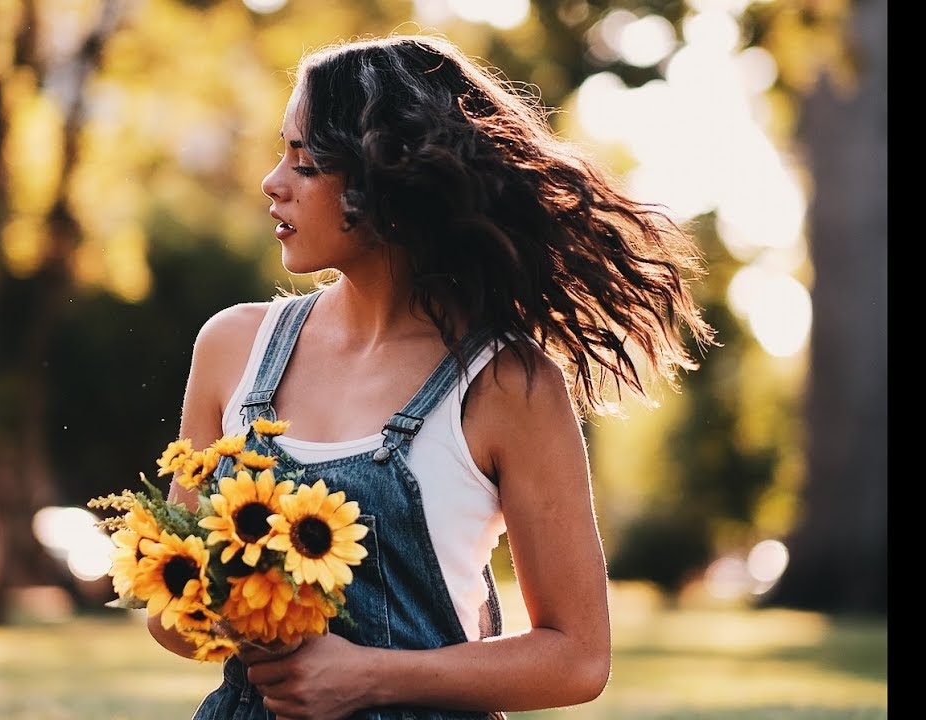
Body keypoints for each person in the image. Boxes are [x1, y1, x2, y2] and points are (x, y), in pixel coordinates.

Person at [146, 33, 717, 720]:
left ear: (383, 177)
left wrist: (368, 677)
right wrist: (235, 609)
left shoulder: (508, 384)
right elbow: (169, 613)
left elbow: (578, 658)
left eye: (304, 160)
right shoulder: (232, 348)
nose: (273, 181)